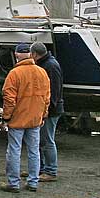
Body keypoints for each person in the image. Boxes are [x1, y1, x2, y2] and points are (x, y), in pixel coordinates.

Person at [0, 43, 50, 193]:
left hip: (18, 119)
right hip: (35, 118)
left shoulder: (14, 74)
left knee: (14, 150)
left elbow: (9, 99)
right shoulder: (42, 73)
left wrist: (6, 118)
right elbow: (47, 97)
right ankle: (33, 182)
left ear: (16, 55)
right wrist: (43, 115)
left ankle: (13, 183)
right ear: (30, 54)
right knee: (34, 150)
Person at [30, 42, 64, 182]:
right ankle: (41, 168)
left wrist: (47, 109)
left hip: (51, 110)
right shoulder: (49, 64)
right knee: (42, 140)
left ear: (34, 54)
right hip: (50, 108)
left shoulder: (50, 66)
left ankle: (50, 170)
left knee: (47, 140)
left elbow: (54, 90)